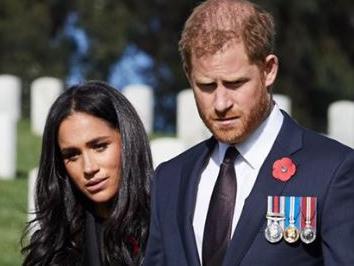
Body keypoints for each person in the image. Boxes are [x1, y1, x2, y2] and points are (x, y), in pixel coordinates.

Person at [143, 0, 354, 265]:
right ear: (188, 75)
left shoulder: (332, 171)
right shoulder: (170, 179)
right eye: (206, 86)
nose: (221, 103)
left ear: (269, 70)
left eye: (235, 83)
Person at [21, 81, 153, 265]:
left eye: (99, 147)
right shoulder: (53, 248)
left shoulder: (166, 224)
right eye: (72, 155)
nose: (89, 168)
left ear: (127, 139)